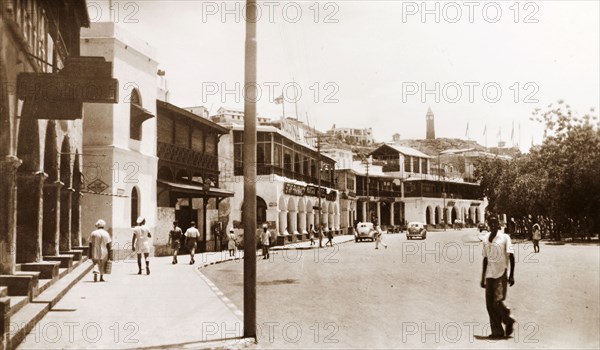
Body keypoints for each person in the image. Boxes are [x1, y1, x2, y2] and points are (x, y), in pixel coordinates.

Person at [481, 215, 516, 339]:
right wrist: (483, 277)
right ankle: (497, 331)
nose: (493, 225)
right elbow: (485, 258)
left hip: (501, 272)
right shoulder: (485, 238)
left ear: (499, 223)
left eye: (495, 222)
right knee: (489, 304)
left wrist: (511, 275)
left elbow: (511, 256)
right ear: (488, 224)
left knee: (497, 301)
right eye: (491, 223)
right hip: (489, 274)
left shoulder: (505, 237)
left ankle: (507, 319)